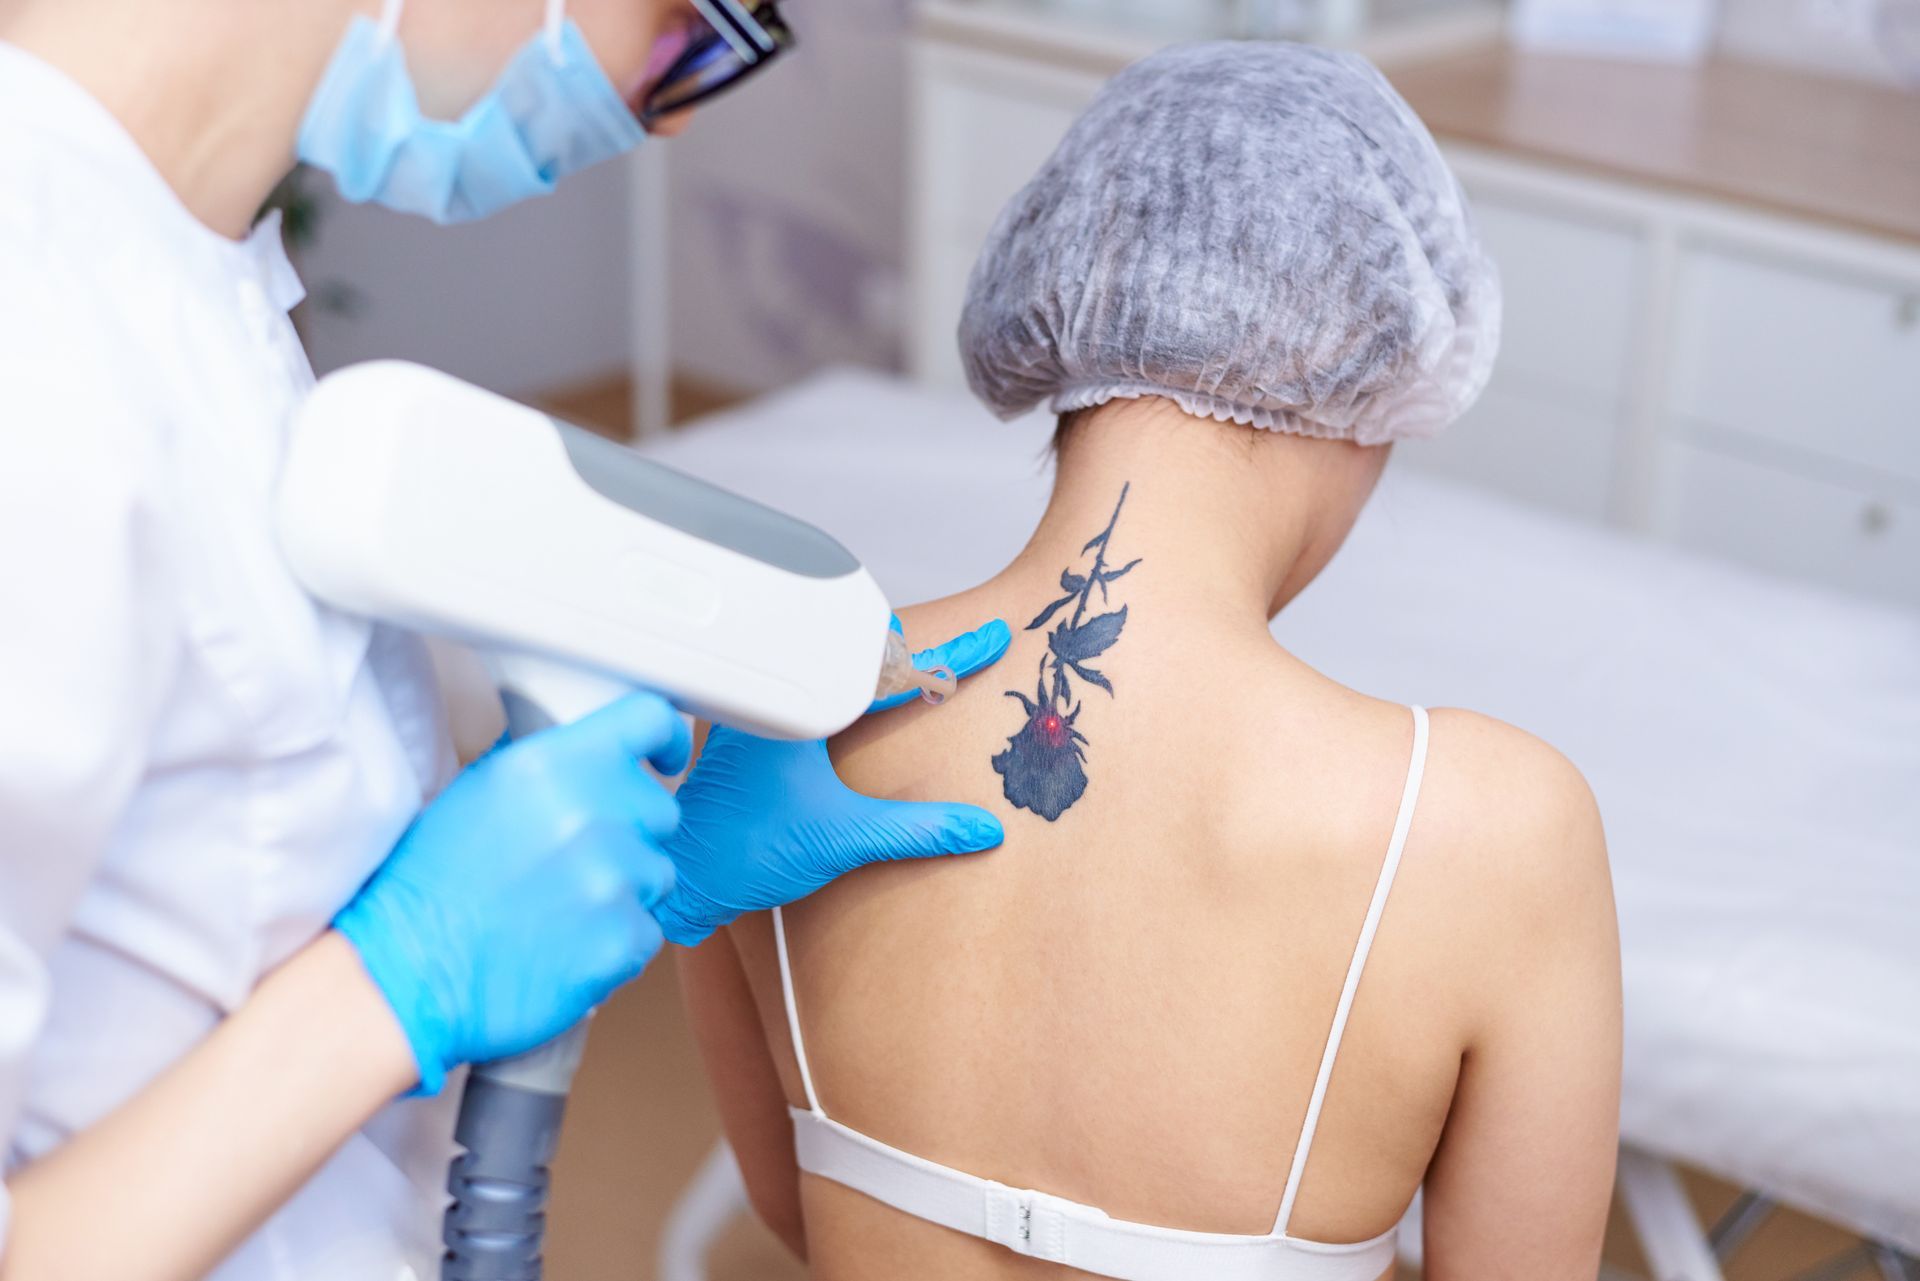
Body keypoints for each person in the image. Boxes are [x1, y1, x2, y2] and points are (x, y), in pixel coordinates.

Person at [0, 2, 1014, 1279]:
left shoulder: (180, 276)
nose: (679, 100)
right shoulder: (29, 343)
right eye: (696, 21)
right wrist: (391, 988)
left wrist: (638, 878)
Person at [679, 42, 1622, 1281]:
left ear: (1055, 332)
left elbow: (794, 1215)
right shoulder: (1490, 830)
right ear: (1372, 378)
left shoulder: (777, 716)